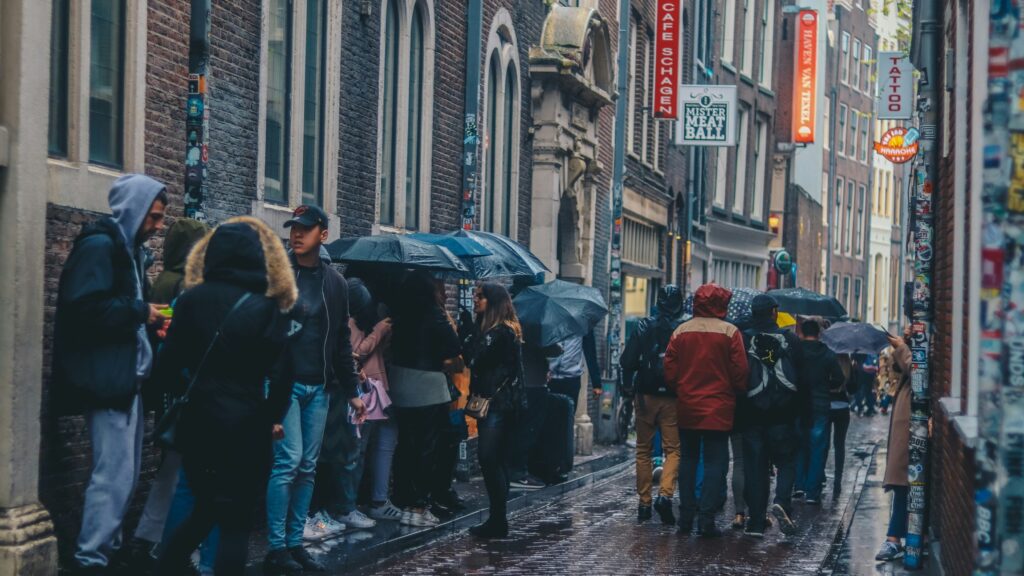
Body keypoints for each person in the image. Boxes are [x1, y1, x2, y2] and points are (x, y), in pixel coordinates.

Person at [153, 217, 300, 575]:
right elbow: (283, 376)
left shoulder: (191, 300)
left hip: (200, 423)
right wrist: (270, 417)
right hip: (247, 428)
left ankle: (169, 565)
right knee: (235, 522)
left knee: (203, 508)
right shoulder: (269, 308)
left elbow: (167, 368)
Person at [53, 174, 168, 574]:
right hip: (108, 380)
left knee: (126, 472)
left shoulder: (130, 250)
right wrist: (141, 312)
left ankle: (107, 549)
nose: (156, 227)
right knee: (112, 474)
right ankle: (91, 559)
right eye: (152, 217)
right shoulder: (101, 247)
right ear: (134, 210)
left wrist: (150, 321)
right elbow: (83, 310)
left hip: (126, 380)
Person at [264, 205, 362, 575]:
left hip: (318, 388)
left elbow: (339, 341)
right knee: (287, 462)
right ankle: (276, 548)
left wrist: (352, 392)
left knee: (307, 466)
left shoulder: (334, 283)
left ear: (323, 234)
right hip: (283, 385)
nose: (297, 234)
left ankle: (294, 543)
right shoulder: (278, 273)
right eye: (294, 228)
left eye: (306, 229)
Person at [124, 217, 209, 571]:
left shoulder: (162, 281)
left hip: (166, 388)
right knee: (179, 471)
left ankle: (152, 538)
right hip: (183, 389)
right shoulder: (183, 286)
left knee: (172, 469)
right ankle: (161, 542)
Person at [664, 284, 748, 538]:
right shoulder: (730, 332)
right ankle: (706, 519)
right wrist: (734, 390)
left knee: (688, 461)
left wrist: (682, 388)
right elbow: (740, 373)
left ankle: (686, 517)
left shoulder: (681, 331)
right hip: (719, 409)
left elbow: (669, 371)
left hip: (688, 406)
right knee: (716, 462)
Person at [308, 279, 383, 535]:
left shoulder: (333, 318)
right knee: (328, 455)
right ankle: (320, 513)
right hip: (330, 396)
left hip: (334, 394)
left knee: (329, 455)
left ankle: (324, 512)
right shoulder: (337, 321)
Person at [389, 271, 463, 527]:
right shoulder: (434, 315)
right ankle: (418, 506)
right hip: (427, 387)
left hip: (399, 385)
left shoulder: (399, 314)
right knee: (427, 448)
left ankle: (402, 500)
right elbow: (454, 347)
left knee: (405, 446)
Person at [463, 282, 526, 538]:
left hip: (498, 403)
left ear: (494, 302)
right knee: (495, 460)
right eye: (475, 295)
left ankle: (498, 520)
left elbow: (474, 357)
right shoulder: (498, 330)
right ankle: (498, 519)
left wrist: (468, 329)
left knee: (489, 458)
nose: (475, 300)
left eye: (481, 297)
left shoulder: (500, 333)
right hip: (501, 403)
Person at [737, 295, 803, 538]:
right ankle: (782, 502)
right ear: (774, 312)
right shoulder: (790, 340)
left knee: (755, 467)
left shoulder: (743, 339)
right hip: (783, 414)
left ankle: (755, 522)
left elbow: (737, 374)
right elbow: (801, 378)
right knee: (786, 461)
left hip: (752, 414)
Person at [620, 285, 685, 525]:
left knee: (643, 450)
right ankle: (665, 495)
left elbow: (627, 360)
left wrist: (629, 387)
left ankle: (644, 503)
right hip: (672, 395)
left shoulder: (643, 326)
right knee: (673, 450)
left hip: (646, 394)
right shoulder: (683, 329)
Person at [348, 278, 402, 522]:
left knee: (365, 448)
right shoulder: (349, 323)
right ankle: (349, 505)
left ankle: (362, 501)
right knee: (357, 450)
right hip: (364, 392)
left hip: (373, 389)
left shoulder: (360, 322)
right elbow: (357, 353)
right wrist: (379, 331)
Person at [794, 320, 847, 505]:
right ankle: (812, 492)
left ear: (801, 332)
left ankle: (798, 485)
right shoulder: (827, 354)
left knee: (799, 445)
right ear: (819, 334)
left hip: (798, 404)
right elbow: (839, 378)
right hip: (820, 404)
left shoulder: (795, 351)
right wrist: (826, 386)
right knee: (818, 448)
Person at [876, 330, 913, 562]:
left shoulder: (929, 343)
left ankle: (894, 539)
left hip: (911, 418)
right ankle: (896, 538)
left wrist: (902, 346)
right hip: (906, 414)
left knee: (904, 481)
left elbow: (918, 371)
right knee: (903, 483)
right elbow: (899, 370)